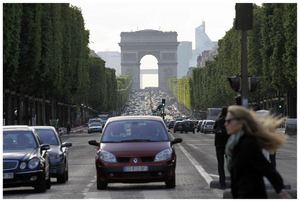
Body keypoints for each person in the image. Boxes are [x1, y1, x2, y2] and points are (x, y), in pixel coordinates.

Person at [224, 105, 291, 199]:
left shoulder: (248, 144)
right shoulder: (233, 144)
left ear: (240, 123)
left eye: (229, 121)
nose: (225, 124)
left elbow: (266, 167)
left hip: (252, 195)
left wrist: (281, 191)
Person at [212, 106, 230, 189]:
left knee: (220, 165)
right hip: (228, 145)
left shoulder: (219, 121)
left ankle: (222, 183)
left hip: (219, 145)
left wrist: (218, 118)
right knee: (231, 164)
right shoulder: (230, 121)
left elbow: (213, 130)